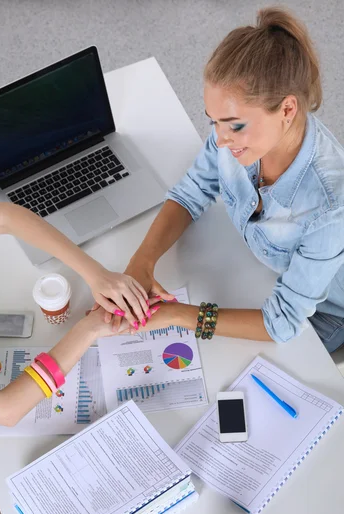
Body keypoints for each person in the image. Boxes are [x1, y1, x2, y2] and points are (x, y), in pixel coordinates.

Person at [0, 194, 163, 495]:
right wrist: (88, 329)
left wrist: (98, 275)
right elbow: (7, 410)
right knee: (35, 434)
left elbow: (6, 217)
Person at [121, 7, 344, 353]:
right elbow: (191, 192)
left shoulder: (329, 208)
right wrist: (141, 262)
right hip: (262, 276)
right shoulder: (237, 139)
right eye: (213, 121)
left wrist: (179, 316)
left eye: (234, 124)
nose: (220, 140)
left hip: (324, 314)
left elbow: (282, 322)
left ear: (287, 110)